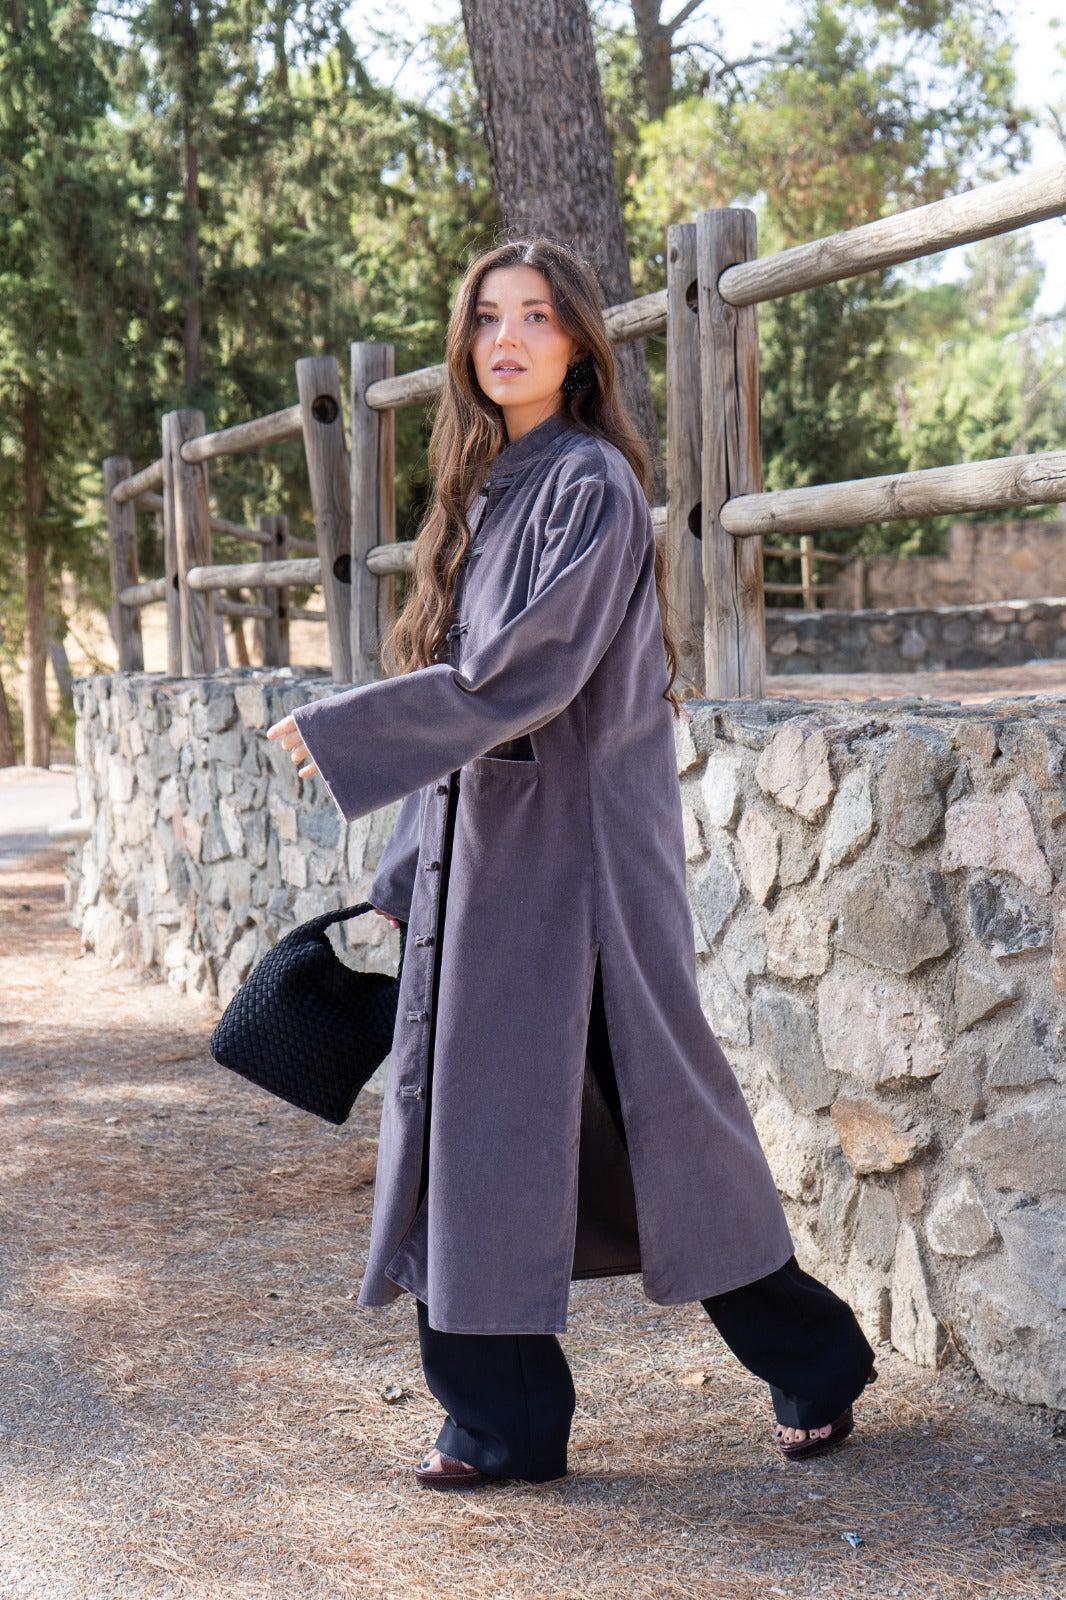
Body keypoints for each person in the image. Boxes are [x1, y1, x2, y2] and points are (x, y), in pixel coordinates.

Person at [267, 237, 876, 1490]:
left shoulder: (589, 484)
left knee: (665, 1122)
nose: (508, 339)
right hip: (494, 861)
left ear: (580, 345)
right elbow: (472, 708)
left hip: (583, 867)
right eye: (488, 318)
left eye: (536, 317)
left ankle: (813, 1358)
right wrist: (411, 872)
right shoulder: (485, 488)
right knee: (472, 1125)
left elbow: (525, 677)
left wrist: (348, 730)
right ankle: (503, 1418)